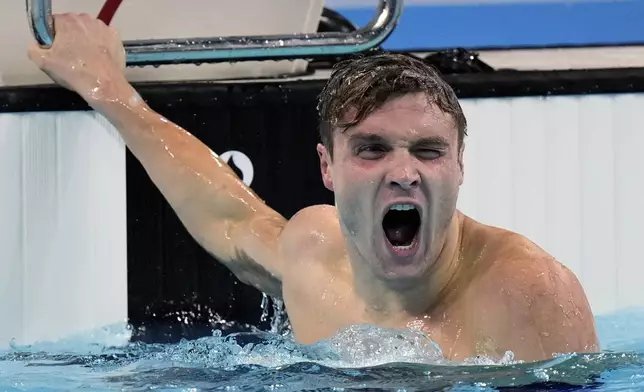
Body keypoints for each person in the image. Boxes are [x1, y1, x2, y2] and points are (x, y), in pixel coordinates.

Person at [28, 13, 599, 363]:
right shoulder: (315, 254)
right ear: (328, 167)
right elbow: (225, 213)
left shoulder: (527, 298)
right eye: (372, 149)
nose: (404, 172)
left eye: (429, 150)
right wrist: (107, 88)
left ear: (459, 166)